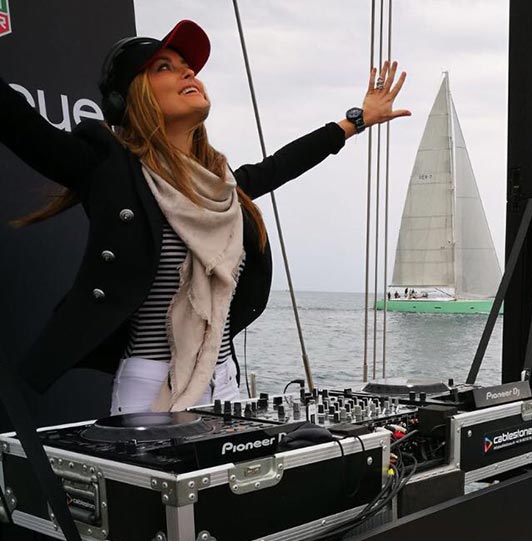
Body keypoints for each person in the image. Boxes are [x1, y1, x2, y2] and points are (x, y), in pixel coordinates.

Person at [0, 20, 410, 417]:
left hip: (225, 380)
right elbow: (19, 124)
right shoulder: (108, 170)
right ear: (129, 98)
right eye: (165, 67)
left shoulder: (221, 186)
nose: (188, 73)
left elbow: (281, 165)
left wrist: (357, 120)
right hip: (152, 387)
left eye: (189, 67)